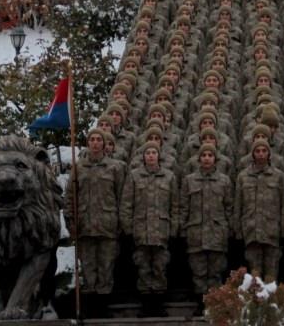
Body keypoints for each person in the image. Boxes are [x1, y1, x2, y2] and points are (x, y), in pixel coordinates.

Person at [64, 128, 127, 311]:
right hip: (85, 225)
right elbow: (70, 197)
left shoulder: (115, 167)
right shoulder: (79, 168)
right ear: (87, 143)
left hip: (108, 224)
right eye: (92, 139)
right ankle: (91, 304)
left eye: (99, 139)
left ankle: (104, 303)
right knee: (88, 266)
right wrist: (71, 221)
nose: (96, 143)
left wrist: (121, 223)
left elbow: (122, 197)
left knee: (106, 265)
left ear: (105, 144)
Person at [120, 141, 178, 317]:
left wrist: (174, 229)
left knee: (160, 266)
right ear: (143, 156)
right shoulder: (134, 176)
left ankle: (159, 304)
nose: (151, 155)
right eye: (148, 153)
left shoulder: (169, 177)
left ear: (158, 155)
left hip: (161, 230)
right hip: (141, 230)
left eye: (154, 152)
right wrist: (128, 228)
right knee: (143, 266)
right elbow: (126, 204)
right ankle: (146, 305)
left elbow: (175, 206)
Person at [180, 145, 234, 315]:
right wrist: (183, 229)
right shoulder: (189, 180)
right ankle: (201, 304)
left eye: (210, 155)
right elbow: (183, 207)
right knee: (199, 272)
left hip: (217, 232)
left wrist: (228, 228)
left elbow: (229, 207)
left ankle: (216, 305)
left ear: (215, 159)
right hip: (196, 232)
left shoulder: (224, 181)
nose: (206, 158)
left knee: (216, 272)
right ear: (198, 159)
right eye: (203, 155)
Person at [233, 139, 284, 282]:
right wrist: (238, 231)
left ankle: (270, 304)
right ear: (252, 154)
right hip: (251, 231)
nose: (261, 154)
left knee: (271, 277)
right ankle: (256, 304)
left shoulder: (279, 176)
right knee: (254, 278)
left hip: (272, 232)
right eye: (257, 151)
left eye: (264, 151)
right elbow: (238, 205)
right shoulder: (243, 177)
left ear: (269, 154)